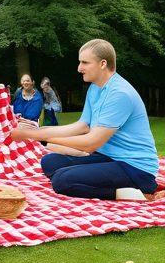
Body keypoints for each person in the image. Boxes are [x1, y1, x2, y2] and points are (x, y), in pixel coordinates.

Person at [13, 39, 159, 201]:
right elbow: (82, 126)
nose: (79, 68)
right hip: (109, 157)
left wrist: (42, 138)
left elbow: (91, 143)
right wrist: (36, 131)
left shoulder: (119, 94)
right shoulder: (95, 88)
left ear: (103, 64)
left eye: (85, 62)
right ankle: (90, 181)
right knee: (49, 162)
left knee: (62, 180)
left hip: (135, 168)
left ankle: (133, 193)